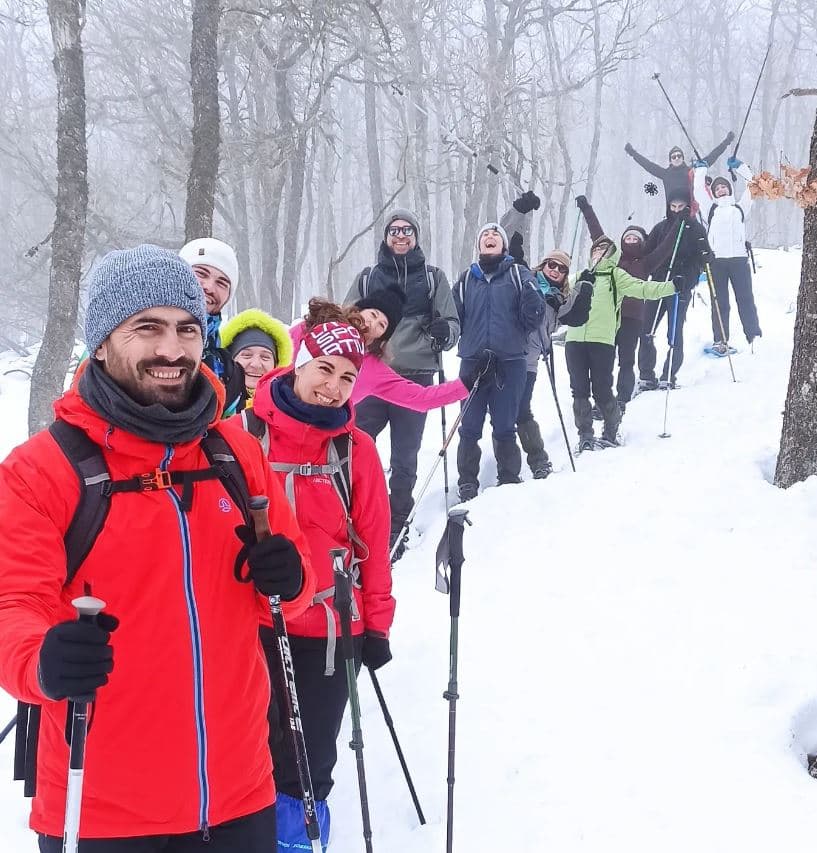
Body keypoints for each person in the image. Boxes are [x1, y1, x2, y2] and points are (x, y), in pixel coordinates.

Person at [0, 245, 315, 851]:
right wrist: (42, 659)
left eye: (187, 329)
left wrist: (289, 578)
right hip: (102, 804)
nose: (172, 350)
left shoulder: (233, 453)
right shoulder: (43, 470)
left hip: (237, 790)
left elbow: (286, 598)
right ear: (100, 342)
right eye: (147, 327)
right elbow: (14, 604)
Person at [245, 320, 395, 851]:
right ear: (298, 363)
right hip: (248, 624)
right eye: (324, 369)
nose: (333, 386)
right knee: (244, 750)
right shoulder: (242, 436)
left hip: (331, 630)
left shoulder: (356, 449)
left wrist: (377, 624)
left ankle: (297, 842)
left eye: (348, 378)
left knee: (310, 761)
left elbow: (374, 542)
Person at [344, 209, 460, 558]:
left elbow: (452, 322)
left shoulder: (432, 277)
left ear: (416, 236)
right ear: (385, 236)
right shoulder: (367, 278)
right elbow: (345, 319)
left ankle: (396, 525)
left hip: (416, 374)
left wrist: (445, 333)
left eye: (407, 230)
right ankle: (351, 512)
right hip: (370, 377)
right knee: (353, 447)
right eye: (394, 230)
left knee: (405, 456)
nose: (400, 235)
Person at [452, 222, 545, 500]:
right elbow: (453, 316)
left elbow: (534, 314)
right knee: (469, 425)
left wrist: (531, 302)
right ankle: (468, 481)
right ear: (479, 245)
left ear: (504, 246)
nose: (490, 237)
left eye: (495, 235)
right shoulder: (468, 278)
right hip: (473, 361)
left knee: (505, 424)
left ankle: (509, 476)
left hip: (510, 361)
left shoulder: (518, 274)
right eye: (484, 235)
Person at [566, 236, 677, 451]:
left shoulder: (616, 275)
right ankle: (585, 436)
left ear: (612, 253)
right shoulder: (580, 276)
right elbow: (556, 294)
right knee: (579, 391)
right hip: (575, 340)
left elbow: (643, 289)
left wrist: (671, 286)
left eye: (604, 249)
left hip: (603, 341)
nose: (598, 252)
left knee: (602, 389)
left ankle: (610, 429)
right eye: (596, 249)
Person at [575, 194, 680, 405]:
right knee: (603, 361)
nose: (631, 241)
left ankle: (622, 399)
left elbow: (666, 246)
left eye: (636, 239)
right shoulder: (612, 260)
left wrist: (679, 222)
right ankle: (603, 401)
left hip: (633, 318)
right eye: (627, 238)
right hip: (608, 317)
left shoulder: (646, 262)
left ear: (642, 243)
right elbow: (598, 235)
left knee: (626, 361)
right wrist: (587, 210)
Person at [518, 249, 593, 477]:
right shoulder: (525, 281)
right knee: (502, 415)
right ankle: (506, 468)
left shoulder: (560, 299)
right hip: (506, 355)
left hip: (529, 362)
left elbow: (579, 316)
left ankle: (539, 461)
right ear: (543, 264)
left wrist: (586, 289)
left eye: (562, 269)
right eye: (552, 264)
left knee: (521, 411)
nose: (555, 270)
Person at [638, 188, 708, 388]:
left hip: (680, 286)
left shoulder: (695, 229)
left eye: (681, 207)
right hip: (658, 283)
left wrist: (690, 276)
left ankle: (669, 374)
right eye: (673, 206)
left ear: (689, 207)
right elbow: (647, 253)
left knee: (675, 331)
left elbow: (702, 258)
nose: (677, 210)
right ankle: (645, 374)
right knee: (646, 329)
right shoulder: (661, 227)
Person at [693, 157, 762, 352]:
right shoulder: (711, 209)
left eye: (724, 187)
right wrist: (701, 171)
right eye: (717, 188)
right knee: (719, 302)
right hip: (717, 262)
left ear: (729, 189)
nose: (721, 189)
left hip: (739, 260)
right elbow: (698, 190)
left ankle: (753, 334)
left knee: (745, 298)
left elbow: (753, 186)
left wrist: (740, 167)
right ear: (714, 193)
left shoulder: (740, 208)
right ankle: (720, 340)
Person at [179, 237, 246, 416]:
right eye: (201, 273)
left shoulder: (228, 370)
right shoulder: (141, 337)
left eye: (222, 283)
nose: (209, 287)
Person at [624, 132, 734, 205]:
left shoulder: (691, 171)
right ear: (670, 160)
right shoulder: (665, 174)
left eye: (679, 156)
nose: (676, 158)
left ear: (683, 158)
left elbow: (711, 157)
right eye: (673, 156)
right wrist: (633, 153)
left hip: (691, 212)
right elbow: (648, 165)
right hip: (672, 212)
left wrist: (726, 142)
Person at [221, 308, 294, 405]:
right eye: (247, 355)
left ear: (276, 364)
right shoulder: (212, 403)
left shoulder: (288, 406)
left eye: (265, 357)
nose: (256, 364)